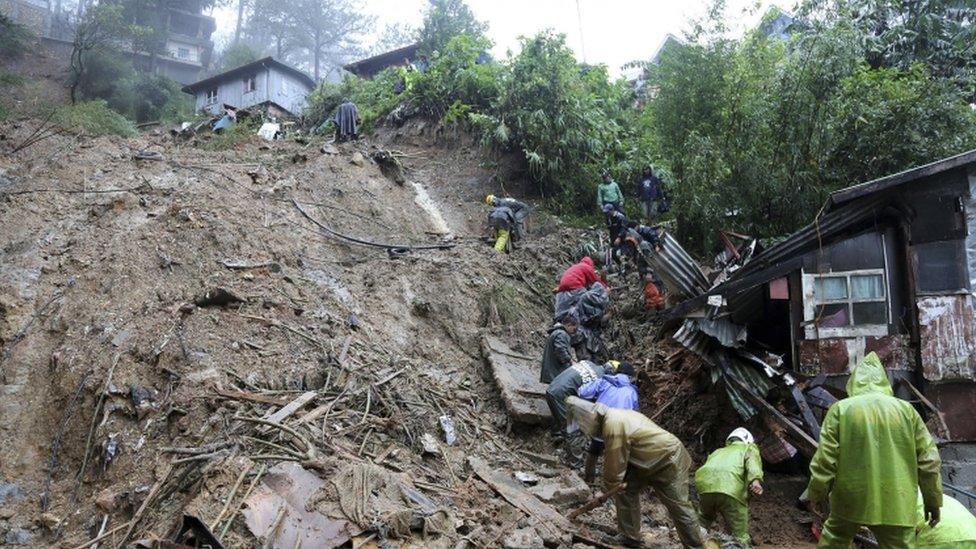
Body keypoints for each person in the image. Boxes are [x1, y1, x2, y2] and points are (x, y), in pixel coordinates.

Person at [805, 352, 943, 548]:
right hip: (897, 501)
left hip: (849, 499)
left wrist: (816, 495)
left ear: (854, 382)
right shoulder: (907, 412)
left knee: (834, 540)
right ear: (883, 381)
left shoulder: (841, 410)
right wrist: (933, 500)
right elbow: (929, 461)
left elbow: (825, 460)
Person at [566, 397, 703, 548]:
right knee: (626, 490)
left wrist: (606, 489)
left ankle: (695, 546)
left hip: (667, 459)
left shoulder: (613, 425)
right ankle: (630, 536)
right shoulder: (615, 416)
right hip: (647, 459)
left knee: (678, 505)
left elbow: (614, 464)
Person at [695, 428, 764, 546]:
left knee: (703, 521)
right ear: (748, 441)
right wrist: (755, 480)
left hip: (705, 489)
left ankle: (695, 543)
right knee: (739, 534)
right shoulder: (749, 448)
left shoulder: (718, 451)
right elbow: (752, 463)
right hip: (731, 489)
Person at [578, 362, 638, 482]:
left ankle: (588, 480)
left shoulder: (604, 382)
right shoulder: (632, 393)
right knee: (613, 457)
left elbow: (582, 392)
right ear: (630, 377)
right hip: (619, 427)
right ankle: (607, 487)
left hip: (601, 422)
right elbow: (634, 415)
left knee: (594, 450)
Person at [545, 360, 616, 443]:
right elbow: (587, 398)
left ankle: (557, 435)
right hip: (561, 394)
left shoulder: (588, 362)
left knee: (560, 412)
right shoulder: (600, 378)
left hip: (552, 387)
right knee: (571, 428)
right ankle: (574, 453)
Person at [540, 311, 578, 384]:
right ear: (569, 325)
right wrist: (570, 361)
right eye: (574, 329)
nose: (574, 332)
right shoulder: (561, 334)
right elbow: (560, 350)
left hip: (553, 369)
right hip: (556, 370)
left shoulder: (557, 332)